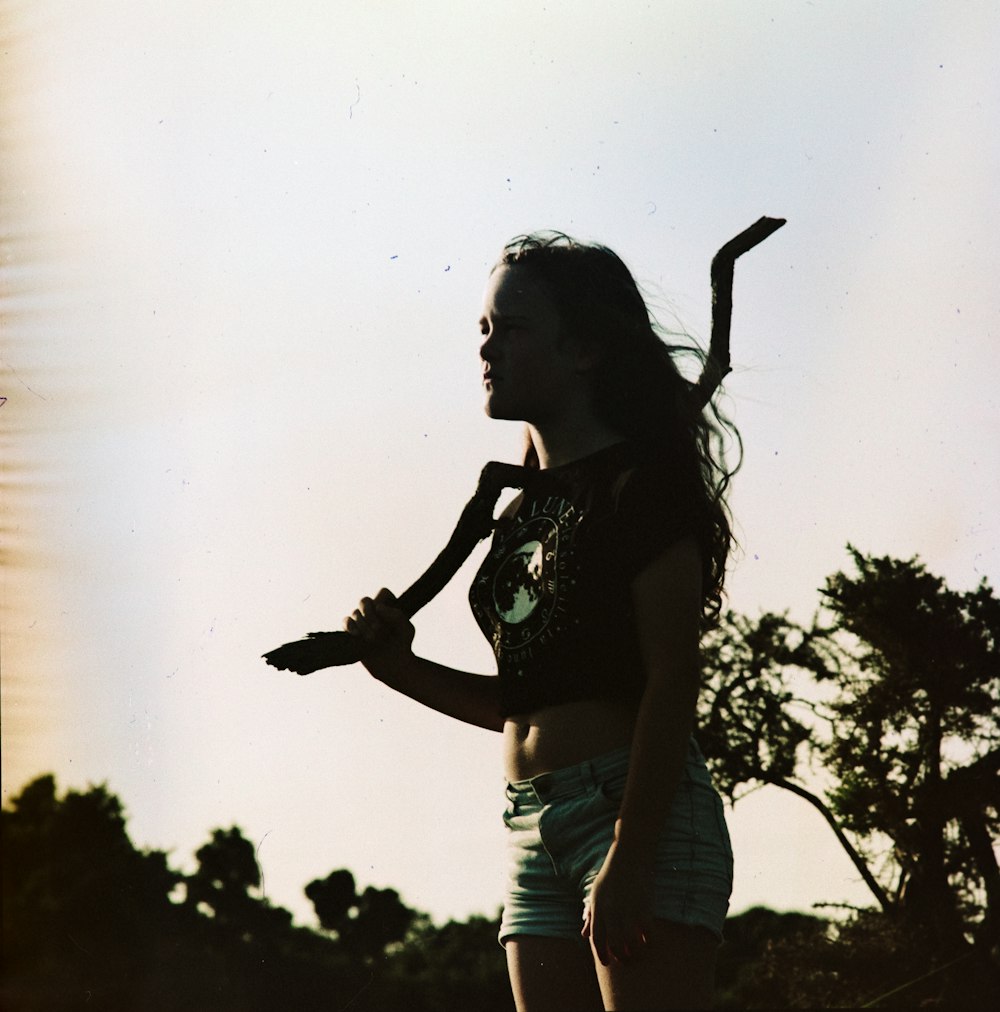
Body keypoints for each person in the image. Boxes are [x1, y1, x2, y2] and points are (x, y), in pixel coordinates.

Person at [344, 232, 736, 1011]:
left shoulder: (640, 487)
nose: (487, 349)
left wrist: (630, 851)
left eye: (511, 329)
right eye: (483, 330)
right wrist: (400, 671)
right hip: (531, 830)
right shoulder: (521, 512)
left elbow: (672, 677)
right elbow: (524, 705)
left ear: (585, 348)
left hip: (631, 816)